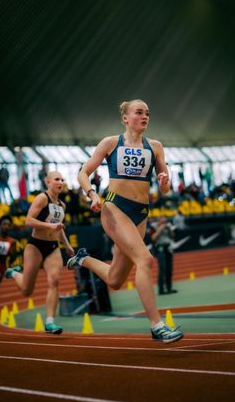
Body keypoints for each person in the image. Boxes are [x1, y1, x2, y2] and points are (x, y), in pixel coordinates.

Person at [67, 99, 183, 343]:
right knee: (145, 259)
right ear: (125, 118)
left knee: (115, 280)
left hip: (141, 212)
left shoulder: (156, 147)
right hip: (114, 207)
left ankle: (83, 259)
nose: (145, 117)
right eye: (139, 112)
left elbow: (165, 186)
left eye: (148, 113)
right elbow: (83, 172)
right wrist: (91, 195)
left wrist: (164, 183)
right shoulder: (111, 143)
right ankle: (156, 326)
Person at [5, 171, 75, 334]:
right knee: (27, 291)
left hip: (52, 247)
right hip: (35, 246)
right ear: (48, 182)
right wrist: (49, 226)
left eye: (62, 180)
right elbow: (28, 221)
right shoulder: (42, 198)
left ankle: (50, 322)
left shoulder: (62, 206)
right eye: (57, 179)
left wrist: (67, 245)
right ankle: (15, 274)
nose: (61, 182)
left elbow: (59, 229)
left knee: (55, 281)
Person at [150, 217, 177, 295]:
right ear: (158, 221)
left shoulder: (168, 226)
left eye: (165, 221)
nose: (164, 223)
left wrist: (169, 229)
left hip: (168, 247)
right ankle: (161, 290)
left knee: (169, 268)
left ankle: (169, 288)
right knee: (162, 269)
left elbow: (172, 236)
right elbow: (153, 238)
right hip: (160, 248)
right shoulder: (153, 226)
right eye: (162, 222)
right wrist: (160, 229)